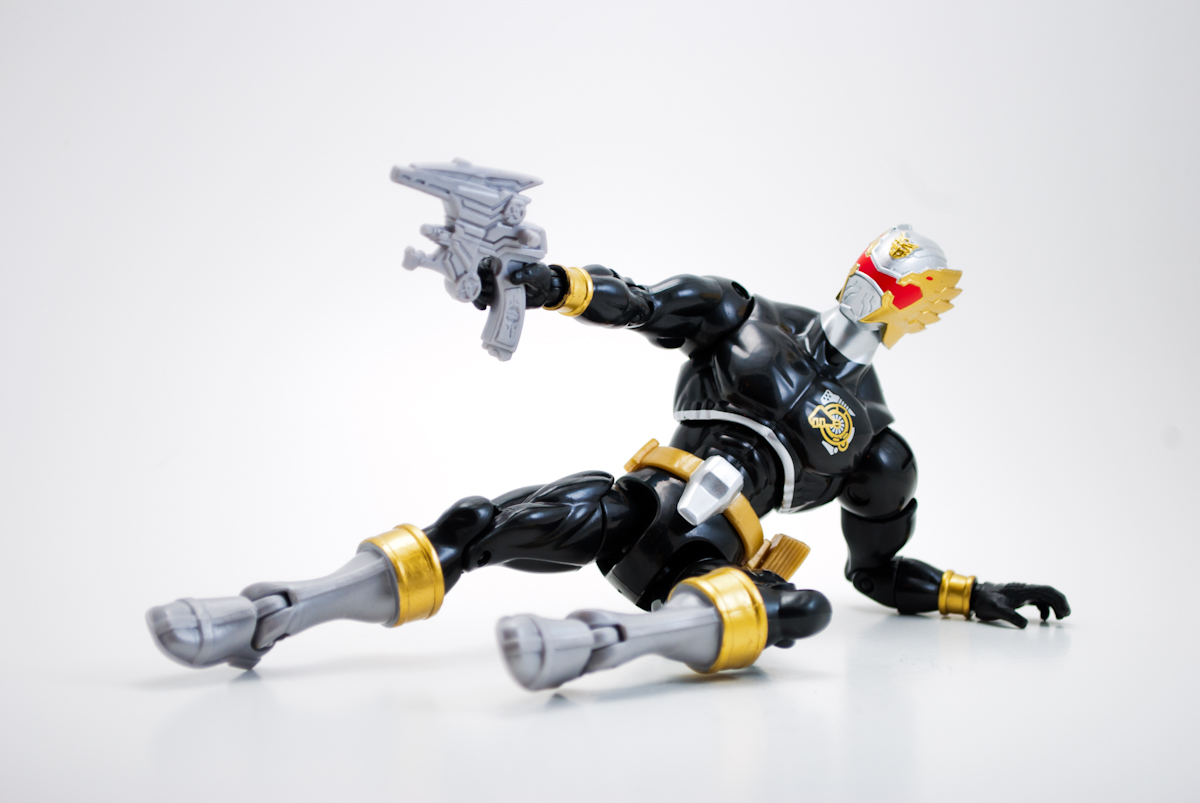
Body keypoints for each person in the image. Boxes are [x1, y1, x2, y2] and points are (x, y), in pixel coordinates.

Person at [147, 225, 1069, 689]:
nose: (873, 288)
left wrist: (968, 592)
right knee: (478, 522)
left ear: (919, 307)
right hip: (640, 503)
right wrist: (540, 283)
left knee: (802, 608)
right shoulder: (746, 318)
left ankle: (598, 646)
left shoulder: (877, 441)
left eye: (897, 285)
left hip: (712, 564)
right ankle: (276, 610)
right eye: (873, 268)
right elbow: (638, 302)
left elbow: (878, 570)